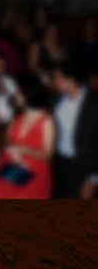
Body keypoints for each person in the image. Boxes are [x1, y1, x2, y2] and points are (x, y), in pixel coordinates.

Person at [0, 76, 55, 199]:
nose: (15, 95)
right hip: (13, 163)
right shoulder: (17, 117)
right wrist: (13, 151)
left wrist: (23, 150)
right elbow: (7, 139)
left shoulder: (46, 121)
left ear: (28, 94)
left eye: (18, 92)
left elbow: (47, 155)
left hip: (34, 169)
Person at [51, 61, 98, 199]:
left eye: (57, 78)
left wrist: (95, 179)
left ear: (70, 79)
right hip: (59, 165)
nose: (54, 82)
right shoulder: (56, 100)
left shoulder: (94, 103)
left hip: (84, 169)